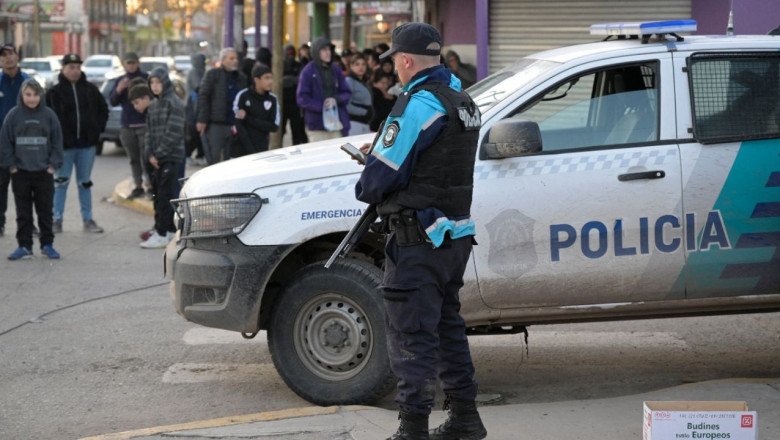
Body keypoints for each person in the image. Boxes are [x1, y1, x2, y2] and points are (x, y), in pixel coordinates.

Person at [353, 23, 486, 440]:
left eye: (394, 60)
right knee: (447, 328)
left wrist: (372, 161)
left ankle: (412, 429)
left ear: (406, 60)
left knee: (412, 333)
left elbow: (375, 182)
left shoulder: (417, 104)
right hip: (455, 235)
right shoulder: (463, 101)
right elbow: (438, 164)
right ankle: (465, 418)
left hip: (419, 240)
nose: (394, 68)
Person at [46, 53, 109, 234]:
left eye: (77, 67)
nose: (74, 71)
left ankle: (88, 220)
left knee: (85, 183)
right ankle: (56, 220)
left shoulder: (90, 90)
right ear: (63, 69)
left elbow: (103, 110)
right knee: (61, 183)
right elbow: (46, 120)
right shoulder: (53, 93)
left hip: (86, 147)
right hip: (63, 148)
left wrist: (96, 131)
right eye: (70, 67)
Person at [0, 79, 63, 260]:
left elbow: (57, 141)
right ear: (22, 94)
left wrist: (53, 165)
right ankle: (24, 246)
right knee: (23, 212)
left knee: (45, 211)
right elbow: (5, 143)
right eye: (28, 95)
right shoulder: (13, 115)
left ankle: (47, 244)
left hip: (44, 172)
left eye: (36, 95)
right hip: (20, 173)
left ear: (41, 95)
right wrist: (11, 166)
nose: (32, 99)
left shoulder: (49, 115)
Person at [130, 70, 185, 249]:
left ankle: (163, 233)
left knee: (165, 196)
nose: (154, 86)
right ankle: (165, 230)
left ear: (165, 83)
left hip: (171, 157)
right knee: (158, 196)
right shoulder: (154, 105)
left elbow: (174, 132)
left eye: (157, 82)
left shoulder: (173, 102)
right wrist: (149, 154)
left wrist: (159, 154)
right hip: (156, 159)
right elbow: (149, 133)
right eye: (152, 83)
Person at [196, 47, 247, 164]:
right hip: (216, 124)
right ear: (223, 60)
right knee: (214, 158)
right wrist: (202, 119)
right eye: (231, 58)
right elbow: (204, 97)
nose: (235, 61)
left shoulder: (241, 78)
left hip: (234, 124)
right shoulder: (213, 75)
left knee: (231, 160)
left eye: (236, 58)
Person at [109, 52, 150, 199]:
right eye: (128, 63)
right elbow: (113, 101)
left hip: (144, 124)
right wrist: (119, 89)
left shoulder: (146, 78)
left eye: (133, 63)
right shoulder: (121, 80)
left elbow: (154, 96)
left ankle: (150, 186)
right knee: (134, 158)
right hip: (127, 125)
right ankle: (138, 185)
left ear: (138, 63)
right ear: (124, 64)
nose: (131, 66)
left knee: (147, 157)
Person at [296, 37, 351, 141]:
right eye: (324, 50)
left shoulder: (336, 69)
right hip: (317, 125)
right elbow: (302, 98)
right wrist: (322, 106)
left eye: (329, 49)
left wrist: (336, 99)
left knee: (338, 155)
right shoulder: (307, 71)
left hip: (337, 123)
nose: (328, 52)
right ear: (316, 51)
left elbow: (347, 92)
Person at [0, 43, 29, 237]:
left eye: (11, 54)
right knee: (1, 185)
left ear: (18, 57)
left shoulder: (28, 82)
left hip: (25, 143)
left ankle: (27, 224)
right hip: (2, 145)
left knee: (25, 187)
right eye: (3, 56)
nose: (8, 58)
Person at [232, 63, 279, 156]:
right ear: (256, 80)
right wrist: (251, 150)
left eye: (271, 78)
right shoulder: (243, 96)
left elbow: (274, 127)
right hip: (240, 149)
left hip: (262, 149)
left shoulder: (272, 99)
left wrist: (247, 118)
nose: (270, 81)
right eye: (267, 78)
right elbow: (238, 124)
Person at [282, 44, 308, 145]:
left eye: (292, 53)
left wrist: (287, 80)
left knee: (296, 132)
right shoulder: (279, 65)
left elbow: (301, 80)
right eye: (288, 54)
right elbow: (278, 81)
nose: (290, 56)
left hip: (295, 103)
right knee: (280, 132)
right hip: (282, 102)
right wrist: (291, 80)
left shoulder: (298, 65)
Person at [185, 53, 207, 165]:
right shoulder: (194, 72)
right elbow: (199, 86)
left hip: (200, 106)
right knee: (193, 132)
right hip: (192, 107)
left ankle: (200, 155)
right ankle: (187, 155)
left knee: (200, 133)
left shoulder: (202, 71)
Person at [345, 53, 373, 135]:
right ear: (351, 66)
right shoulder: (349, 81)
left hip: (365, 123)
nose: (361, 67)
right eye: (357, 64)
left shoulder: (364, 82)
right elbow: (346, 105)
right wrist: (364, 112)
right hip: (354, 123)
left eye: (363, 64)